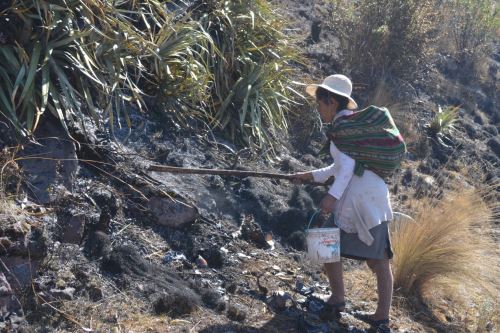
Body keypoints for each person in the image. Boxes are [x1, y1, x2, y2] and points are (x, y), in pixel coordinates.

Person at [291, 74, 395, 332]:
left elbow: (346, 168)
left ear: (330, 101)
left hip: (358, 199)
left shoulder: (341, 129)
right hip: (374, 196)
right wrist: (311, 176)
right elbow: (340, 166)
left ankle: (339, 299)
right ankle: (381, 315)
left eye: (319, 103)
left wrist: (331, 197)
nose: (318, 108)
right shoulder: (351, 125)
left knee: (325, 242)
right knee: (379, 259)